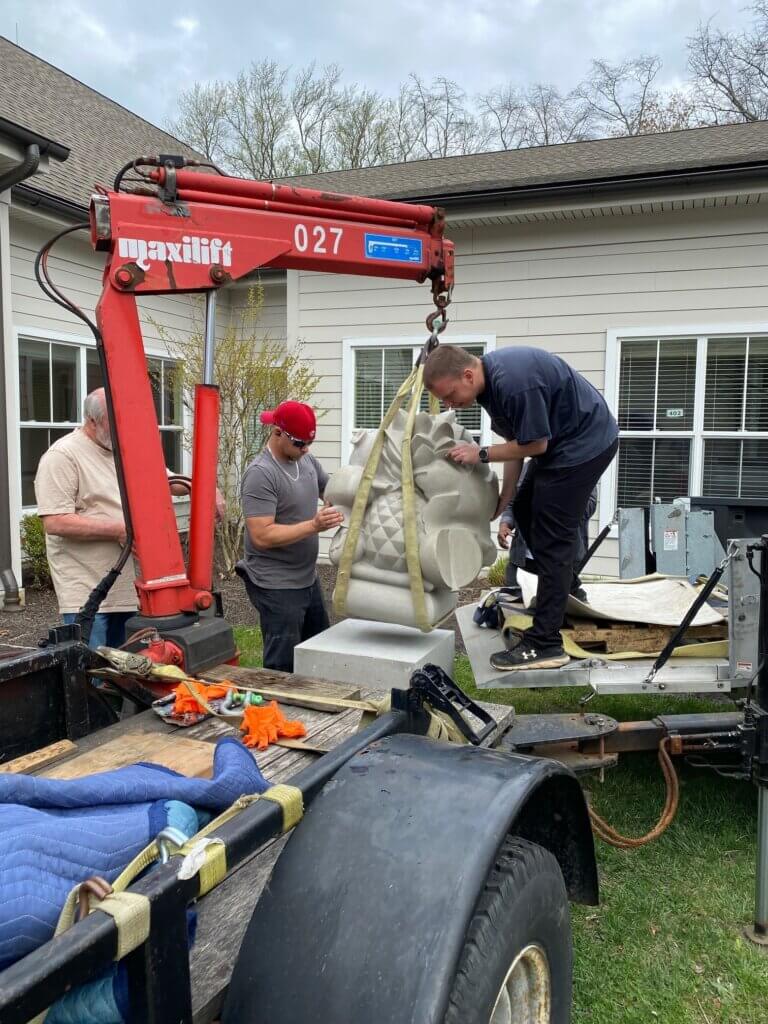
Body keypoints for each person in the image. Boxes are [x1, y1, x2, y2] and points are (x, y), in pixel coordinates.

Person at [424, 345, 618, 672]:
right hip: (559, 445)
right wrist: (507, 498)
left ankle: (546, 644)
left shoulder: (514, 383)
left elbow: (535, 444)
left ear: (467, 375)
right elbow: (517, 445)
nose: (450, 404)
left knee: (552, 532)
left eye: (451, 394)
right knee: (526, 511)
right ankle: (568, 593)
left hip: (585, 444)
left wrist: (480, 454)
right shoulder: (489, 390)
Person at [34, 388, 213, 649]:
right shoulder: (63, 456)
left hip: (129, 591)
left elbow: (167, 482)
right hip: (87, 594)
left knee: (128, 673)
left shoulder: (127, 450)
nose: (122, 427)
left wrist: (205, 491)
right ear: (92, 421)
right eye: (114, 420)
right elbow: (56, 521)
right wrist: (120, 530)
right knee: (92, 673)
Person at [237, 400, 343, 673]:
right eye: (299, 443)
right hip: (276, 583)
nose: (306, 449)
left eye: (309, 443)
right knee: (282, 666)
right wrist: (314, 525)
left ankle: (312, 714)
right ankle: (274, 712)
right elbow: (261, 535)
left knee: (318, 652)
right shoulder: (261, 474)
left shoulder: (305, 460)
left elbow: (331, 492)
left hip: (306, 577)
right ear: (277, 432)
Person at [499, 472, 597, 602]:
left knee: (560, 611)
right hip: (523, 561)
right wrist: (505, 524)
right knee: (514, 610)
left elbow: (590, 505)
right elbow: (512, 503)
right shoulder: (526, 468)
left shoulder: (580, 465)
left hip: (561, 561)